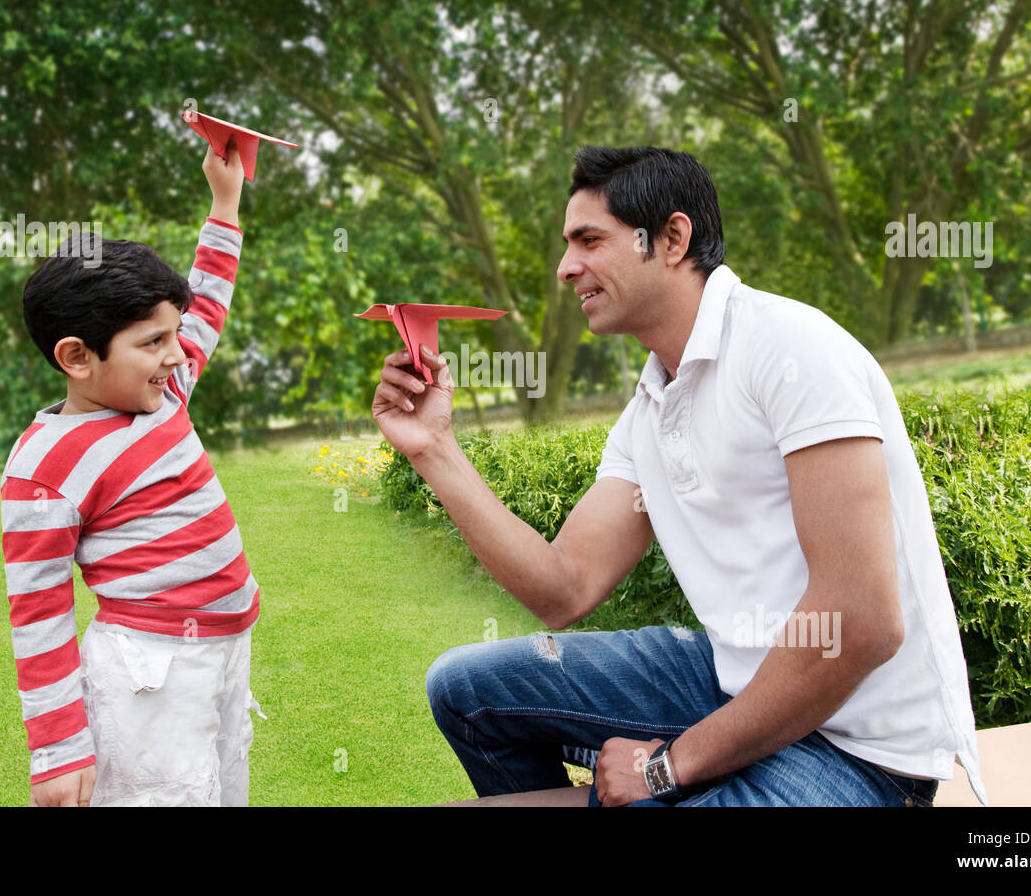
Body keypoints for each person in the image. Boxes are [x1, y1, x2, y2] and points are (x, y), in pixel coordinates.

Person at [371, 145, 988, 807]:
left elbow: (862, 621)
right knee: (467, 690)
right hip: (731, 682)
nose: (564, 267)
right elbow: (564, 587)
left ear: (670, 238)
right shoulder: (651, 410)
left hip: (860, 748)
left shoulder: (793, 350)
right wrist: (433, 448)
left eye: (589, 240)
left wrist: (666, 766)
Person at [0, 142, 263, 806]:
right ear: (77, 357)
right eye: (153, 342)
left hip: (225, 653)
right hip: (150, 678)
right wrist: (59, 754)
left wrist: (225, 200)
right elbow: (39, 612)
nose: (178, 353)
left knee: (225, 790)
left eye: (175, 335)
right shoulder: (43, 467)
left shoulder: (161, 391)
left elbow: (209, 299)